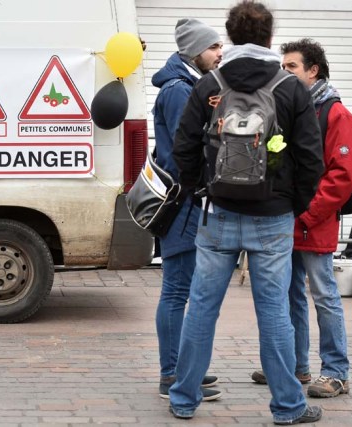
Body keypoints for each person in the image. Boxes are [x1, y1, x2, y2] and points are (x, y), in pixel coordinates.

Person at [168, 1, 325, 424]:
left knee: (201, 308)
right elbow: (312, 158)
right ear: (270, 38)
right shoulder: (290, 87)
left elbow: (183, 148)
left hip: (218, 212)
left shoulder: (210, 82)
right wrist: (294, 204)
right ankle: (288, 407)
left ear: (231, 36)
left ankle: (183, 399)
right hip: (273, 217)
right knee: (274, 313)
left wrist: (200, 189)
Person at [251, 38, 352, 398]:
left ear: (313, 71)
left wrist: (309, 214)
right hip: (289, 220)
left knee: (324, 295)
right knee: (290, 295)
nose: (284, 72)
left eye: (292, 67)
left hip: (313, 221)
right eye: (282, 66)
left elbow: (343, 174)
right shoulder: (290, 109)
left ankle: (336, 372)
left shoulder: (336, 114)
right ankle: (295, 369)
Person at [151, 18, 223, 401]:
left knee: (181, 288)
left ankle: (180, 368)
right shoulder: (180, 90)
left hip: (185, 201)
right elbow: (186, 149)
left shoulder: (187, 85)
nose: (219, 52)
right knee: (178, 290)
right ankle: (172, 376)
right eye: (213, 47)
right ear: (194, 50)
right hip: (183, 202)